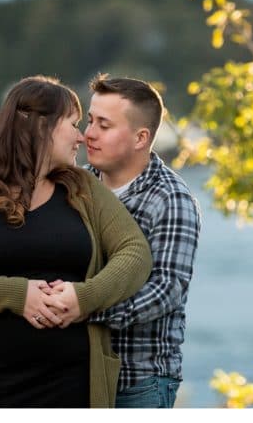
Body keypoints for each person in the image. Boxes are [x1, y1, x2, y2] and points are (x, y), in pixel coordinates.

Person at [0, 75, 152, 408]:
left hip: (77, 388)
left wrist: (84, 298)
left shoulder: (83, 188)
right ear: (41, 127)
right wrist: (17, 294)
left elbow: (136, 253)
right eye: (72, 124)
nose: (82, 137)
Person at [51, 74, 201, 408]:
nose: (89, 133)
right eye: (90, 121)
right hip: (76, 374)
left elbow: (166, 289)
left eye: (104, 125)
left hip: (138, 381)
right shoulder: (78, 184)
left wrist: (87, 309)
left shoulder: (171, 199)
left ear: (140, 137)